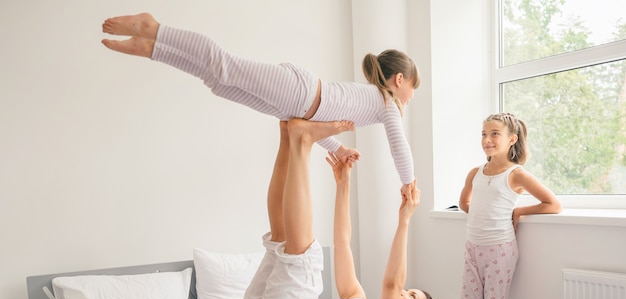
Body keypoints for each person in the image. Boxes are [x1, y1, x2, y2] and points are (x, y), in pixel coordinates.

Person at [101, 13, 419, 195]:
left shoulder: (370, 104)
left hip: (295, 106)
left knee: (218, 83)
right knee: (224, 66)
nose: (412, 97)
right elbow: (399, 146)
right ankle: (154, 28)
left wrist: (337, 149)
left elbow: (314, 123)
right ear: (399, 80)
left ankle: (155, 50)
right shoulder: (386, 103)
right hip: (300, 91)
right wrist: (409, 183)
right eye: (414, 88)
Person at [229, 118, 438, 299]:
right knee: (280, 242)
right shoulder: (356, 298)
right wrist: (343, 183)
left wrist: (404, 219)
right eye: (409, 290)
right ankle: (288, 136)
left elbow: (391, 284)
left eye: (412, 295)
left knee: (306, 257)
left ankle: (304, 141)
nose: (405, 291)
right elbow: (342, 242)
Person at [458, 112, 562, 299]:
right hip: (472, 248)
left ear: (512, 139)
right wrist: (479, 212)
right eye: (484, 134)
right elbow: (464, 203)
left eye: (495, 134)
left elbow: (553, 204)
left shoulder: (516, 174)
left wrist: (518, 211)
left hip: (499, 249)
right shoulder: (475, 173)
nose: (487, 140)